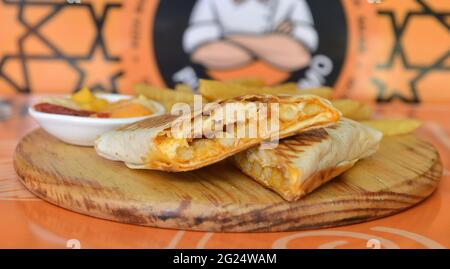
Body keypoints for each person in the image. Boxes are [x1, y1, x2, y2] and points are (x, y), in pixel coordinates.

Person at [183, 0, 318, 72]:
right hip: (277, 50)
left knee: (298, 54)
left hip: (227, 46)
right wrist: (274, 45)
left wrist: (227, 38)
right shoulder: (211, 2)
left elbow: (308, 41)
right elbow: (195, 44)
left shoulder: (293, 2)